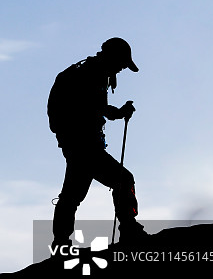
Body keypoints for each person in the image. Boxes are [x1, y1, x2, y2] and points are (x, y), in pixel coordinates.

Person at [47, 38, 147, 250]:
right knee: (123, 179)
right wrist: (119, 113)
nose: (121, 69)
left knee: (72, 194)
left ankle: (61, 244)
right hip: (84, 144)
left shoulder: (86, 70)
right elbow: (96, 108)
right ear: (113, 57)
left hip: (76, 143)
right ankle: (128, 229)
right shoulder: (92, 74)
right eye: (121, 63)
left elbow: (94, 108)